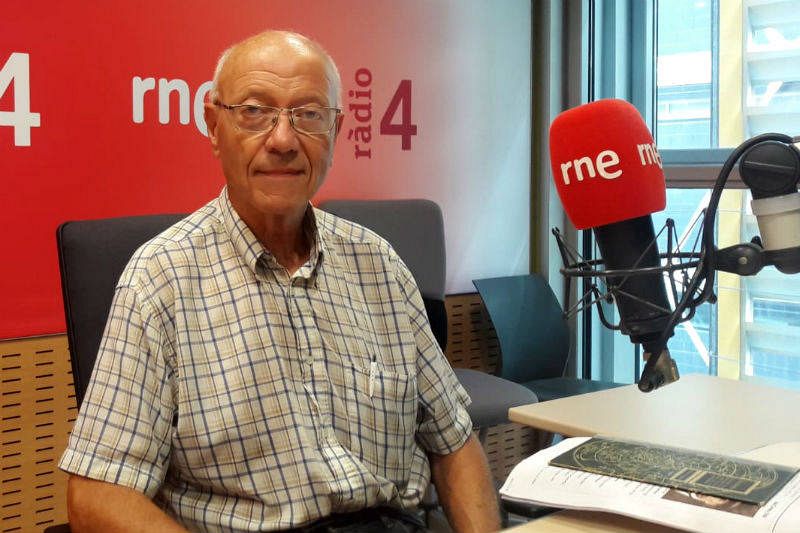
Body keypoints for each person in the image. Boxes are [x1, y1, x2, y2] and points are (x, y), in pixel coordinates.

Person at [59, 30, 500, 533]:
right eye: (254, 111)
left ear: (335, 129)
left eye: (309, 114)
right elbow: (97, 494)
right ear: (213, 124)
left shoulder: (379, 264)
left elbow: (454, 440)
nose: (284, 140)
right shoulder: (161, 280)